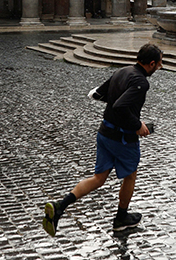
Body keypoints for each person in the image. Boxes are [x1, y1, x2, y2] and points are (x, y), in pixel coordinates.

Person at [42, 43, 164, 236]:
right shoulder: (141, 82)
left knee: (99, 178)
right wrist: (138, 126)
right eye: (159, 64)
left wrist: (120, 103)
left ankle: (59, 206)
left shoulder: (122, 71)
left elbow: (97, 94)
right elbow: (120, 107)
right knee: (130, 175)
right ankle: (121, 218)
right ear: (151, 63)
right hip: (123, 139)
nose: (159, 67)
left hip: (105, 133)